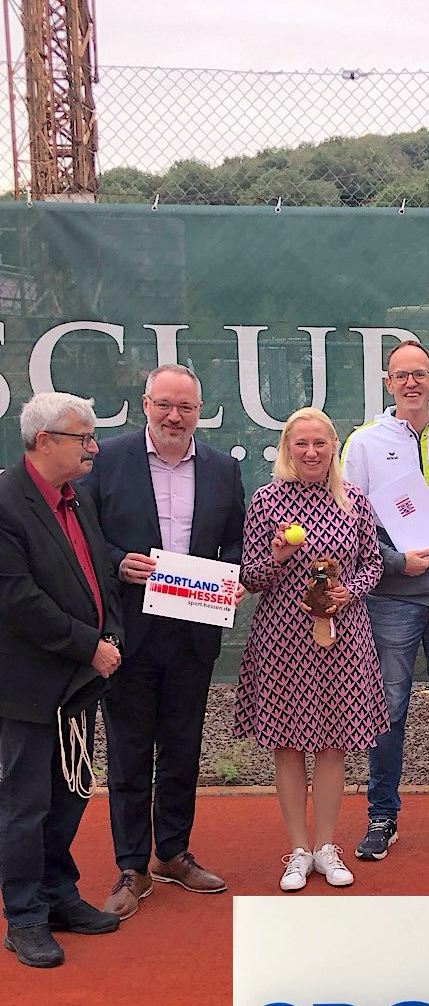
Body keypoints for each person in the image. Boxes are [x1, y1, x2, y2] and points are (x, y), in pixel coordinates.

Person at [79, 364, 246, 919]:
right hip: (129, 632)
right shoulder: (108, 460)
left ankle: (173, 852)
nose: (175, 416)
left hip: (193, 632)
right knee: (129, 751)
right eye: (165, 405)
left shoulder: (222, 469)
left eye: (186, 407)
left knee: (181, 747)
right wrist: (115, 562)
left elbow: (235, 545)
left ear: (200, 411)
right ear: (145, 403)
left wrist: (233, 579)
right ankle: (132, 865)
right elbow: (82, 535)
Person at [341, 339, 429, 858]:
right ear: (388, 383)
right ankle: (382, 816)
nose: (410, 382)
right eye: (401, 375)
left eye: (419, 373)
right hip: (392, 597)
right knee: (389, 708)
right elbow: (350, 517)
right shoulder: (363, 442)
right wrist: (395, 561)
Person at [235, 408, 388, 890]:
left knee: (332, 743)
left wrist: (350, 591)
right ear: (287, 448)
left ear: (333, 446)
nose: (311, 452)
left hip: (343, 637)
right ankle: (298, 850)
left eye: (319, 442)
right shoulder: (266, 501)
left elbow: (373, 564)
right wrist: (278, 557)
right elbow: (251, 576)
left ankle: (326, 847)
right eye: (300, 443)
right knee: (287, 743)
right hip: (282, 638)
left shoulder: (354, 500)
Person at [0, 393, 123, 967]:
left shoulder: (78, 499)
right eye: (82, 438)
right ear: (44, 441)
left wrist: (110, 636)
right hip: (27, 688)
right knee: (25, 805)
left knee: (70, 794)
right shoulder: (6, 502)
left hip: (79, 683)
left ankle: (58, 896)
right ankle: (24, 916)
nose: (93, 447)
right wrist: (88, 645)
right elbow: (17, 598)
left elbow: (100, 576)